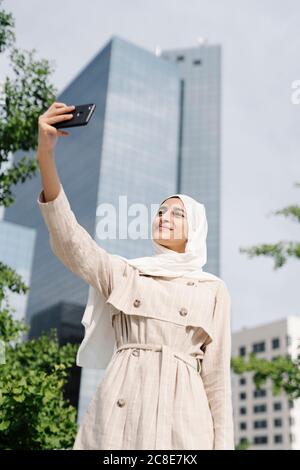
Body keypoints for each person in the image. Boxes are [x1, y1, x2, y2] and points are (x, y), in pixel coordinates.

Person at [36, 101, 235, 450]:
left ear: (196, 229)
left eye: (178, 214)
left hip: (185, 429)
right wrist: (45, 155)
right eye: (160, 211)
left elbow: (217, 382)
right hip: (118, 420)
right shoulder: (127, 274)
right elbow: (71, 241)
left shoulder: (211, 290)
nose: (164, 217)